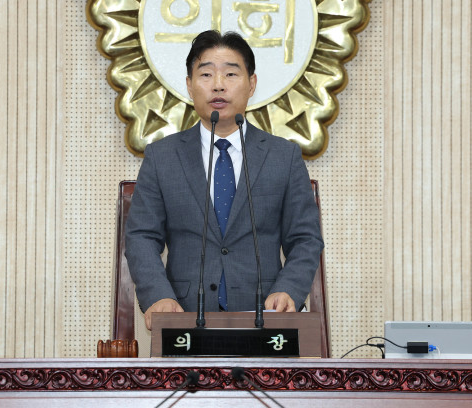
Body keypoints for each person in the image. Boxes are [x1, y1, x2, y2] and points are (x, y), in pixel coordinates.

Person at [125, 30, 324, 330]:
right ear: (190, 85)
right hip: (184, 316)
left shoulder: (284, 156)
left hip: (264, 317)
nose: (218, 85)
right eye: (206, 74)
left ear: (251, 84)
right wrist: (158, 295)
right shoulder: (161, 157)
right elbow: (142, 236)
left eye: (231, 74)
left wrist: (289, 289)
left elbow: (305, 238)